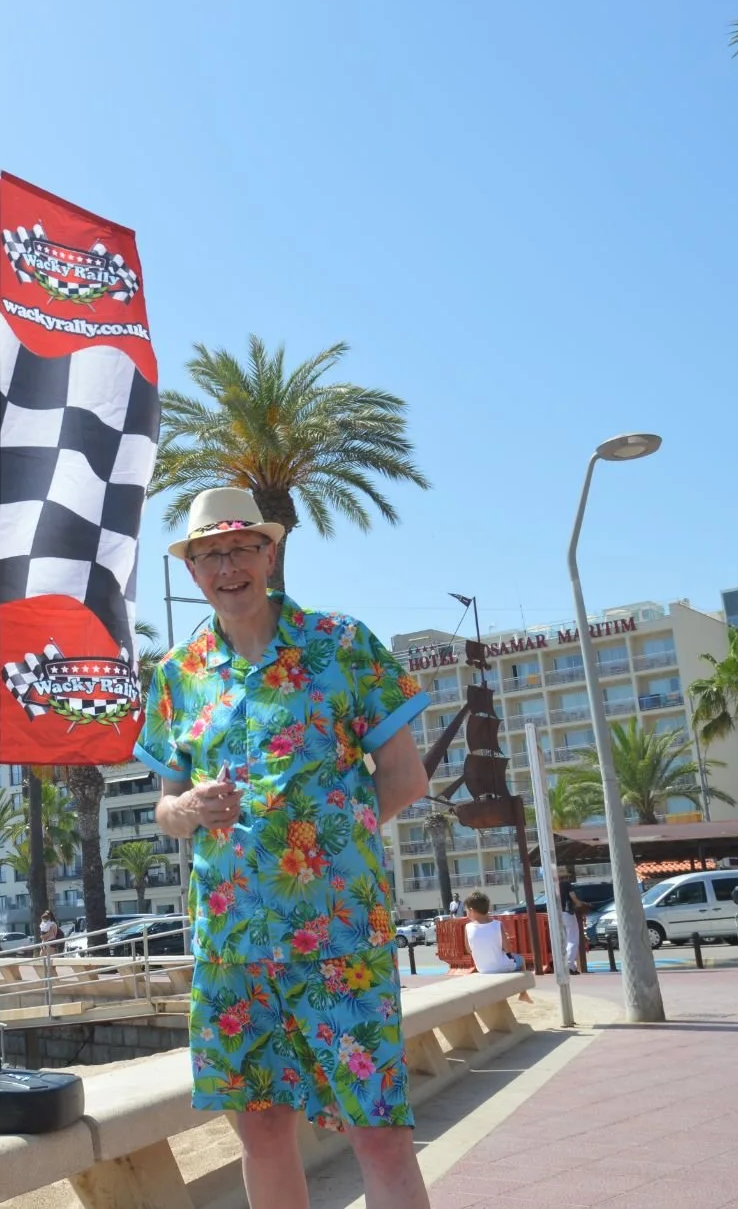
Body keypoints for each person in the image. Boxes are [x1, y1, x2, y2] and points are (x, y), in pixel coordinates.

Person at [139, 488, 435, 1209]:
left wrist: (325, 847)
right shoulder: (177, 675)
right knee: (263, 1132)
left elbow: (404, 776)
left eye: (241, 547)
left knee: (378, 1132)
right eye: (209, 553)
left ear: (270, 553)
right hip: (232, 944)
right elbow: (165, 809)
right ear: (191, 570)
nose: (227, 565)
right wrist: (188, 807)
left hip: (338, 935)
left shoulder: (341, 643)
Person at [463, 894, 537, 1001]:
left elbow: (469, 950)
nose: (466, 913)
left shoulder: (468, 927)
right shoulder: (497, 924)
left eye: (466, 911)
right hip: (500, 966)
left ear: (472, 910)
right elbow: (507, 948)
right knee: (522, 960)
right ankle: (523, 993)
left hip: (482, 968)